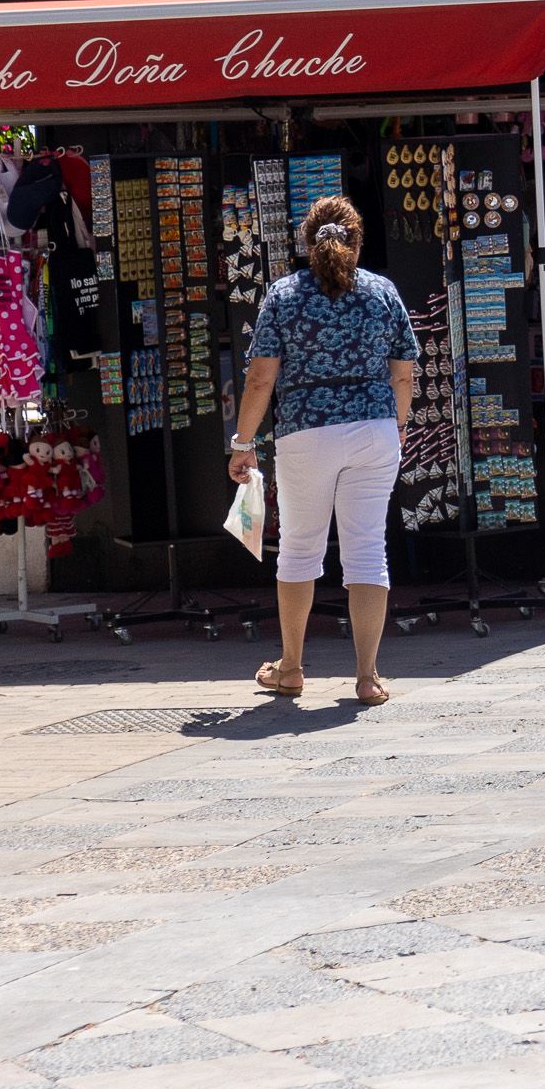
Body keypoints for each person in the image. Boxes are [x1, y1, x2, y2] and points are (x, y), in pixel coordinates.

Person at [230, 195, 418, 706]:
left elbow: (260, 380)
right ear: (357, 242)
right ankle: (367, 676)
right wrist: (394, 426)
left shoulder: (284, 295)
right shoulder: (382, 293)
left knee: (298, 548)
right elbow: (403, 374)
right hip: (374, 429)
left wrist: (243, 444)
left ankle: (291, 668)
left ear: (306, 243)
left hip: (306, 430)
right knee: (366, 550)